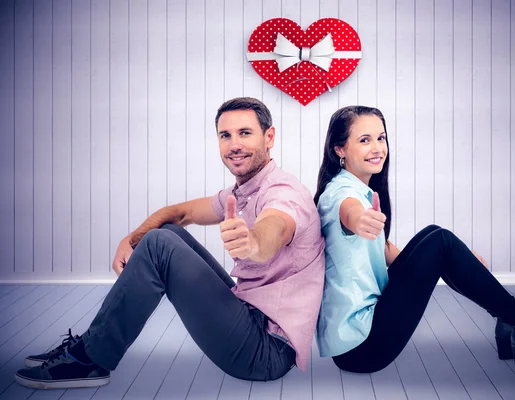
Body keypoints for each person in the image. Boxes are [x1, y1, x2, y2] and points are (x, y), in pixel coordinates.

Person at [15, 97, 325, 389]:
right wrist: (131, 238)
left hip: (266, 352)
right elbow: (181, 213)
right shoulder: (245, 190)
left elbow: (276, 228)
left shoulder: (283, 192)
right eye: (225, 135)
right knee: (168, 233)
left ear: (269, 137)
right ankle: (91, 344)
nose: (235, 145)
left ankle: (88, 358)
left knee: (160, 244)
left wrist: (253, 242)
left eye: (245, 133)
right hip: (250, 318)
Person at [314, 105, 515, 373]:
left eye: (381, 138)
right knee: (440, 241)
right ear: (339, 149)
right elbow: (348, 212)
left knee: (434, 235)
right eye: (364, 140)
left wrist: (461, 262)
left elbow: (382, 248)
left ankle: (513, 325)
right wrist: (358, 219)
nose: (377, 148)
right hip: (362, 346)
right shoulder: (340, 194)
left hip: (360, 337)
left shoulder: (360, 188)